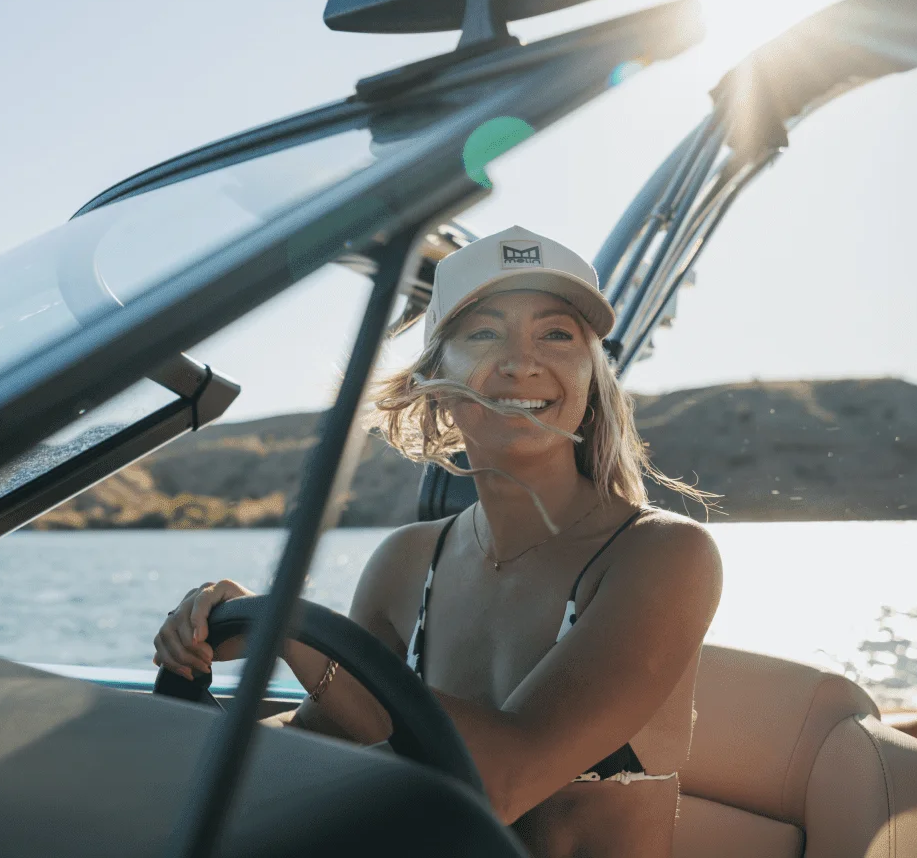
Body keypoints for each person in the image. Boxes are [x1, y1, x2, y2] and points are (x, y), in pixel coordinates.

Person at [152, 226, 722, 857]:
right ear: (436, 381)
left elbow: (504, 781)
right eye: (484, 334)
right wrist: (200, 678)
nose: (521, 362)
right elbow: (330, 733)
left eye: (557, 335)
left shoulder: (664, 555)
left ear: (591, 377)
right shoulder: (407, 561)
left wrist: (294, 633)